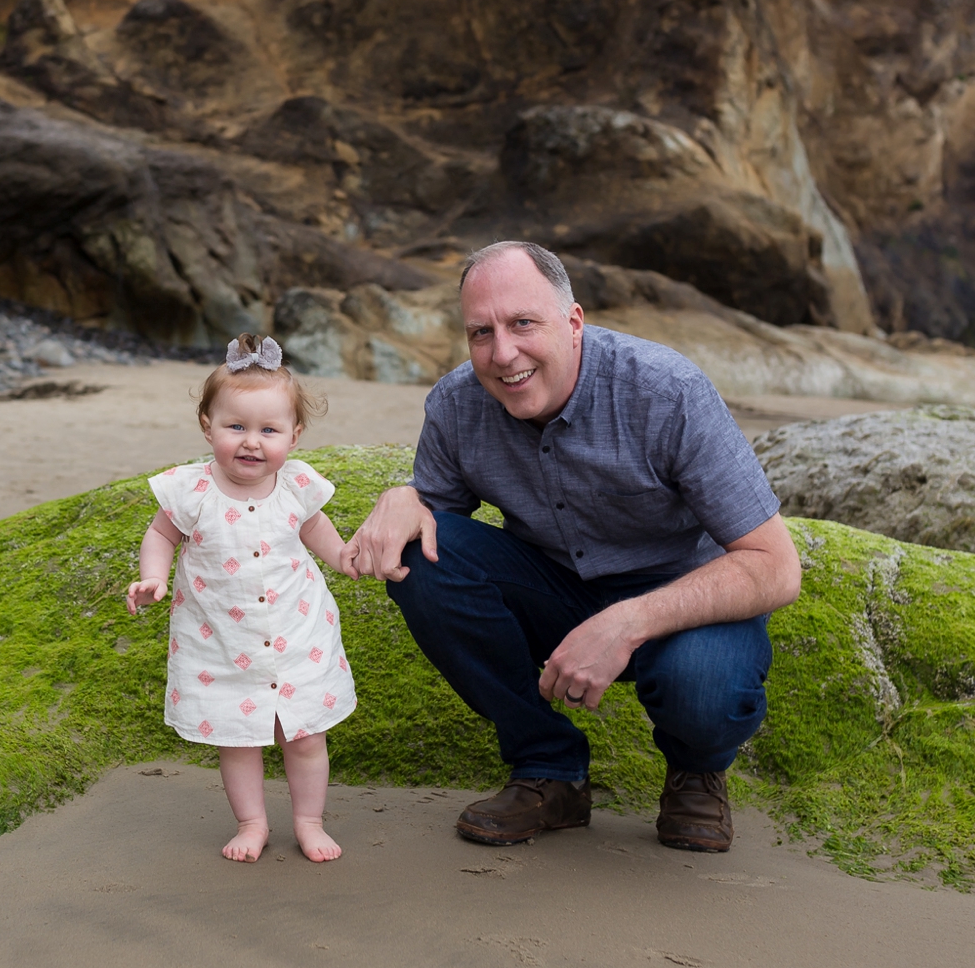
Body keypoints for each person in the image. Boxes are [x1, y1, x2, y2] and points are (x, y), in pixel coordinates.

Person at [341, 241, 800, 852]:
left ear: (574, 321)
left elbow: (776, 567)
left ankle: (696, 771)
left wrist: (629, 622)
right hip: (553, 591)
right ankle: (548, 767)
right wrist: (406, 498)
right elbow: (437, 524)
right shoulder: (456, 403)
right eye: (481, 332)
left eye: (523, 323)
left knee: (704, 685)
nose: (503, 354)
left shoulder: (667, 392)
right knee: (421, 557)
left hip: (682, 607)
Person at [127, 334, 355, 864]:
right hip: (222, 642)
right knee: (239, 739)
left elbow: (315, 529)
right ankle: (252, 823)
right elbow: (160, 534)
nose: (252, 442)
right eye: (236, 427)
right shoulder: (191, 491)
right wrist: (153, 577)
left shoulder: (295, 486)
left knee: (305, 737)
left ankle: (309, 821)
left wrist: (344, 557)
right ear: (207, 426)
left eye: (268, 430)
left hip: (297, 635)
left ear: (294, 436)